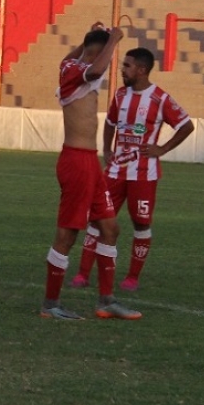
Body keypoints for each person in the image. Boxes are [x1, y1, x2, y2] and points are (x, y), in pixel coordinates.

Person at [70, 47, 194, 292]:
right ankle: (83, 274)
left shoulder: (160, 99)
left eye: (127, 66)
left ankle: (132, 277)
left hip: (144, 174)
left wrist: (163, 149)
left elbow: (186, 125)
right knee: (97, 220)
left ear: (142, 69)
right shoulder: (119, 95)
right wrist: (106, 148)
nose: (122, 70)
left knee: (141, 223)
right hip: (115, 171)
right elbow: (109, 123)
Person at [40, 23, 142, 320]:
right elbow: (95, 70)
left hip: (90, 162)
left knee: (110, 228)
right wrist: (114, 39)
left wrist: (90, 35)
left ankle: (106, 301)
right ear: (96, 53)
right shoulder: (79, 71)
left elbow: (78, 59)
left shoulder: (70, 64)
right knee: (68, 234)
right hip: (77, 161)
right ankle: (50, 304)